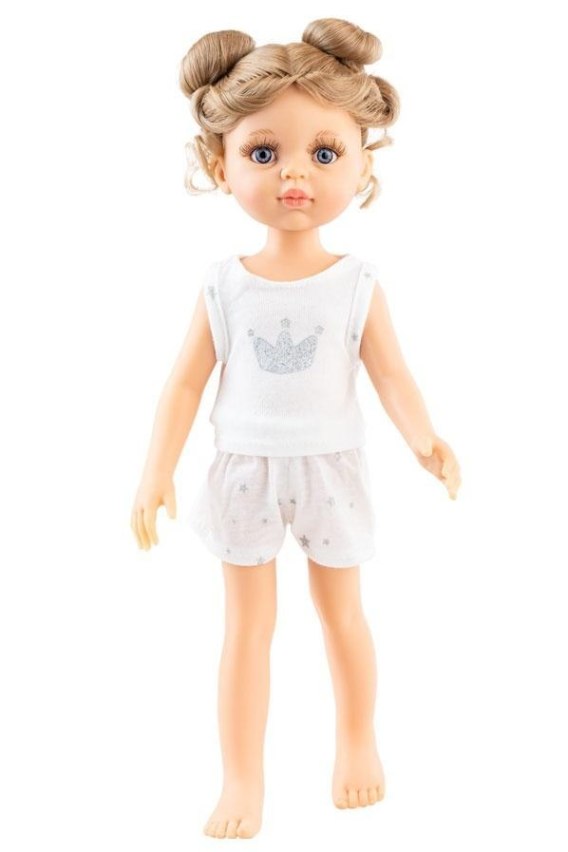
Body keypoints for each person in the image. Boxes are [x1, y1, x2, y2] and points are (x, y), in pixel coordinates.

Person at [131, 18, 462, 839]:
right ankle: (242, 779)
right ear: (221, 164)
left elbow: (391, 374)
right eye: (262, 152)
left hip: (330, 469)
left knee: (342, 614)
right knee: (247, 629)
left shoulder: (356, 283)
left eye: (323, 153)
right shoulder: (224, 285)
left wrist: (425, 439)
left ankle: (357, 739)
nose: (293, 176)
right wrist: (155, 469)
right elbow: (183, 383)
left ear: (362, 165)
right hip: (243, 469)